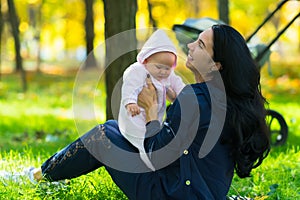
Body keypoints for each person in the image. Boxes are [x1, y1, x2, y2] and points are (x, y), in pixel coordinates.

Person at [30, 24, 270, 199]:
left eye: (200, 44)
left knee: (103, 136)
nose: (189, 46)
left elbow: (156, 156)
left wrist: (149, 109)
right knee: (113, 128)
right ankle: (44, 172)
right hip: (206, 192)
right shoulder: (227, 99)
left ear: (215, 65)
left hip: (170, 194)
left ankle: (40, 176)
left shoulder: (194, 98)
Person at [118, 29, 185, 170]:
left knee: (150, 139)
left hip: (154, 118)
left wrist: (184, 97)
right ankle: (141, 160)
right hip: (136, 113)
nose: (163, 71)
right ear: (146, 60)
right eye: (159, 67)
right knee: (136, 138)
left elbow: (179, 86)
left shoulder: (168, 75)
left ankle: (147, 161)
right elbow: (130, 85)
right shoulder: (139, 70)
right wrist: (130, 102)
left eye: (167, 68)